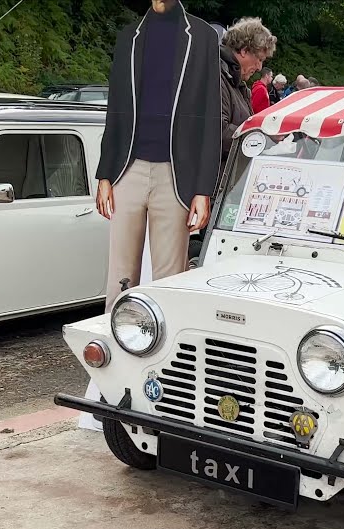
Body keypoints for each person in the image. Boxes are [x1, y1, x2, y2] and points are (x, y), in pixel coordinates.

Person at [95, 0, 222, 309]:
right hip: (127, 168)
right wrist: (105, 173)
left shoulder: (202, 36)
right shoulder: (129, 36)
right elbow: (116, 107)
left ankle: (167, 339)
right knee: (120, 276)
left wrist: (204, 188)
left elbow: (210, 114)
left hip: (177, 173)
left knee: (170, 278)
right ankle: (116, 334)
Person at [220, 19, 274, 166]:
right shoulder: (216, 77)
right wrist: (261, 139)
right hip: (217, 177)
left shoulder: (237, 84)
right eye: (259, 59)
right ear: (244, 50)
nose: (259, 67)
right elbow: (218, 133)